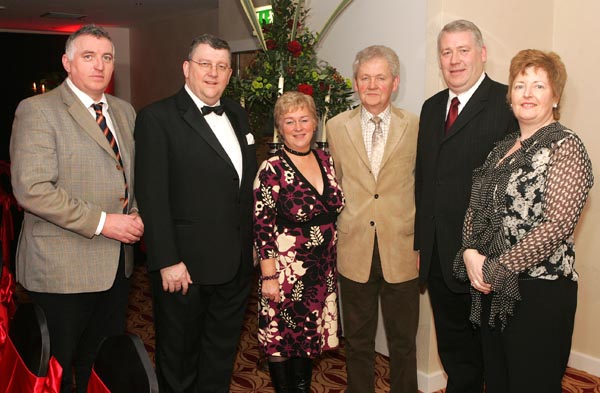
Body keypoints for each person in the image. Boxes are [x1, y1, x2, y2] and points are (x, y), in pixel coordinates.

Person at [10, 24, 143, 393]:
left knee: (100, 366)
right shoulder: (38, 110)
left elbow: (131, 178)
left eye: (107, 57)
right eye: (88, 57)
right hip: (61, 269)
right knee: (55, 371)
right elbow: (32, 190)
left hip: (116, 268)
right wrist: (104, 223)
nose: (99, 65)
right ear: (67, 62)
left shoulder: (124, 111)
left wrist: (140, 212)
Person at [454, 49, 593, 393]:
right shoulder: (501, 147)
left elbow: (557, 225)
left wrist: (494, 267)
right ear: (510, 96)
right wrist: (470, 252)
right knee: (499, 382)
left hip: (539, 293)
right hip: (493, 289)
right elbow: (475, 206)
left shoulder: (567, 147)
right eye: (520, 86)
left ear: (555, 96)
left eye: (538, 86)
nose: (527, 94)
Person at [134, 33, 257, 393]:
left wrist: (250, 246)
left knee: (220, 355)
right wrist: (167, 259)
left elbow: (243, 188)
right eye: (205, 64)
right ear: (187, 68)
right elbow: (152, 195)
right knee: (180, 360)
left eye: (222, 66)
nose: (213, 73)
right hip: (184, 268)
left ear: (230, 74)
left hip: (235, 264)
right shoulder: (157, 118)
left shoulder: (237, 113)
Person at [414, 19, 517, 393]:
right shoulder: (430, 108)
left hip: (486, 261)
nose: (454, 60)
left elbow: (514, 191)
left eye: (463, 50)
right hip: (440, 256)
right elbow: (423, 181)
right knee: (456, 354)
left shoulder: (506, 105)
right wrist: (421, 246)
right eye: (446, 52)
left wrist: (495, 256)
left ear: (482, 53)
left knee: (495, 357)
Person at [327, 45, 419, 393]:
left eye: (380, 77)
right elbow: (331, 186)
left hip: (403, 249)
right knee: (358, 340)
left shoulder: (415, 125)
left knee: (403, 342)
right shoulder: (336, 127)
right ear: (355, 82)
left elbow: (422, 187)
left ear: (394, 82)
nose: (372, 84)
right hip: (354, 249)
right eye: (365, 77)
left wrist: (422, 241)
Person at [253, 91, 345, 393]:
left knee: (306, 339)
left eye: (304, 119)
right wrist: (269, 276)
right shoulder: (272, 169)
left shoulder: (325, 159)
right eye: (289, 121)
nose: (298, 127)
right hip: (284, 272)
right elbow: (262, 225)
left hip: (320, 272)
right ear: (280, 126)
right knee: (281, 339)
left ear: (315, 122)